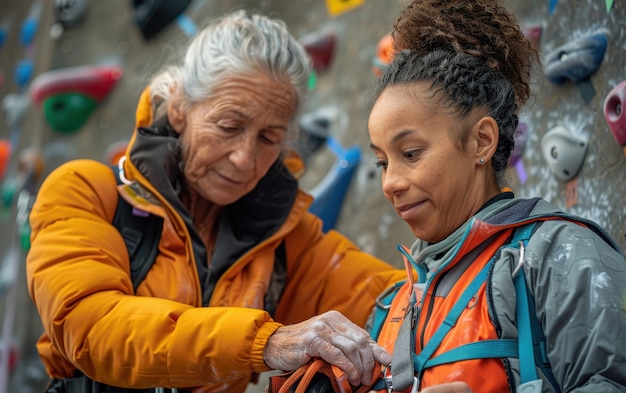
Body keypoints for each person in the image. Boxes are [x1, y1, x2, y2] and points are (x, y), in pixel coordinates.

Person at [26, 10, 405, 393]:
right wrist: (264, 342)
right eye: (229, 127)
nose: (244, 158)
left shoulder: (283, 238)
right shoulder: (86, 191)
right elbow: (91, 327)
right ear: (178, 107)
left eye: (268, 138)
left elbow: (386, 296)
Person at [365, 1, 626, 392]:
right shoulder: (389, 309)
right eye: (383, 162)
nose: (391, 183)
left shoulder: (557, 256)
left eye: (411, 154)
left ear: (481, 141)